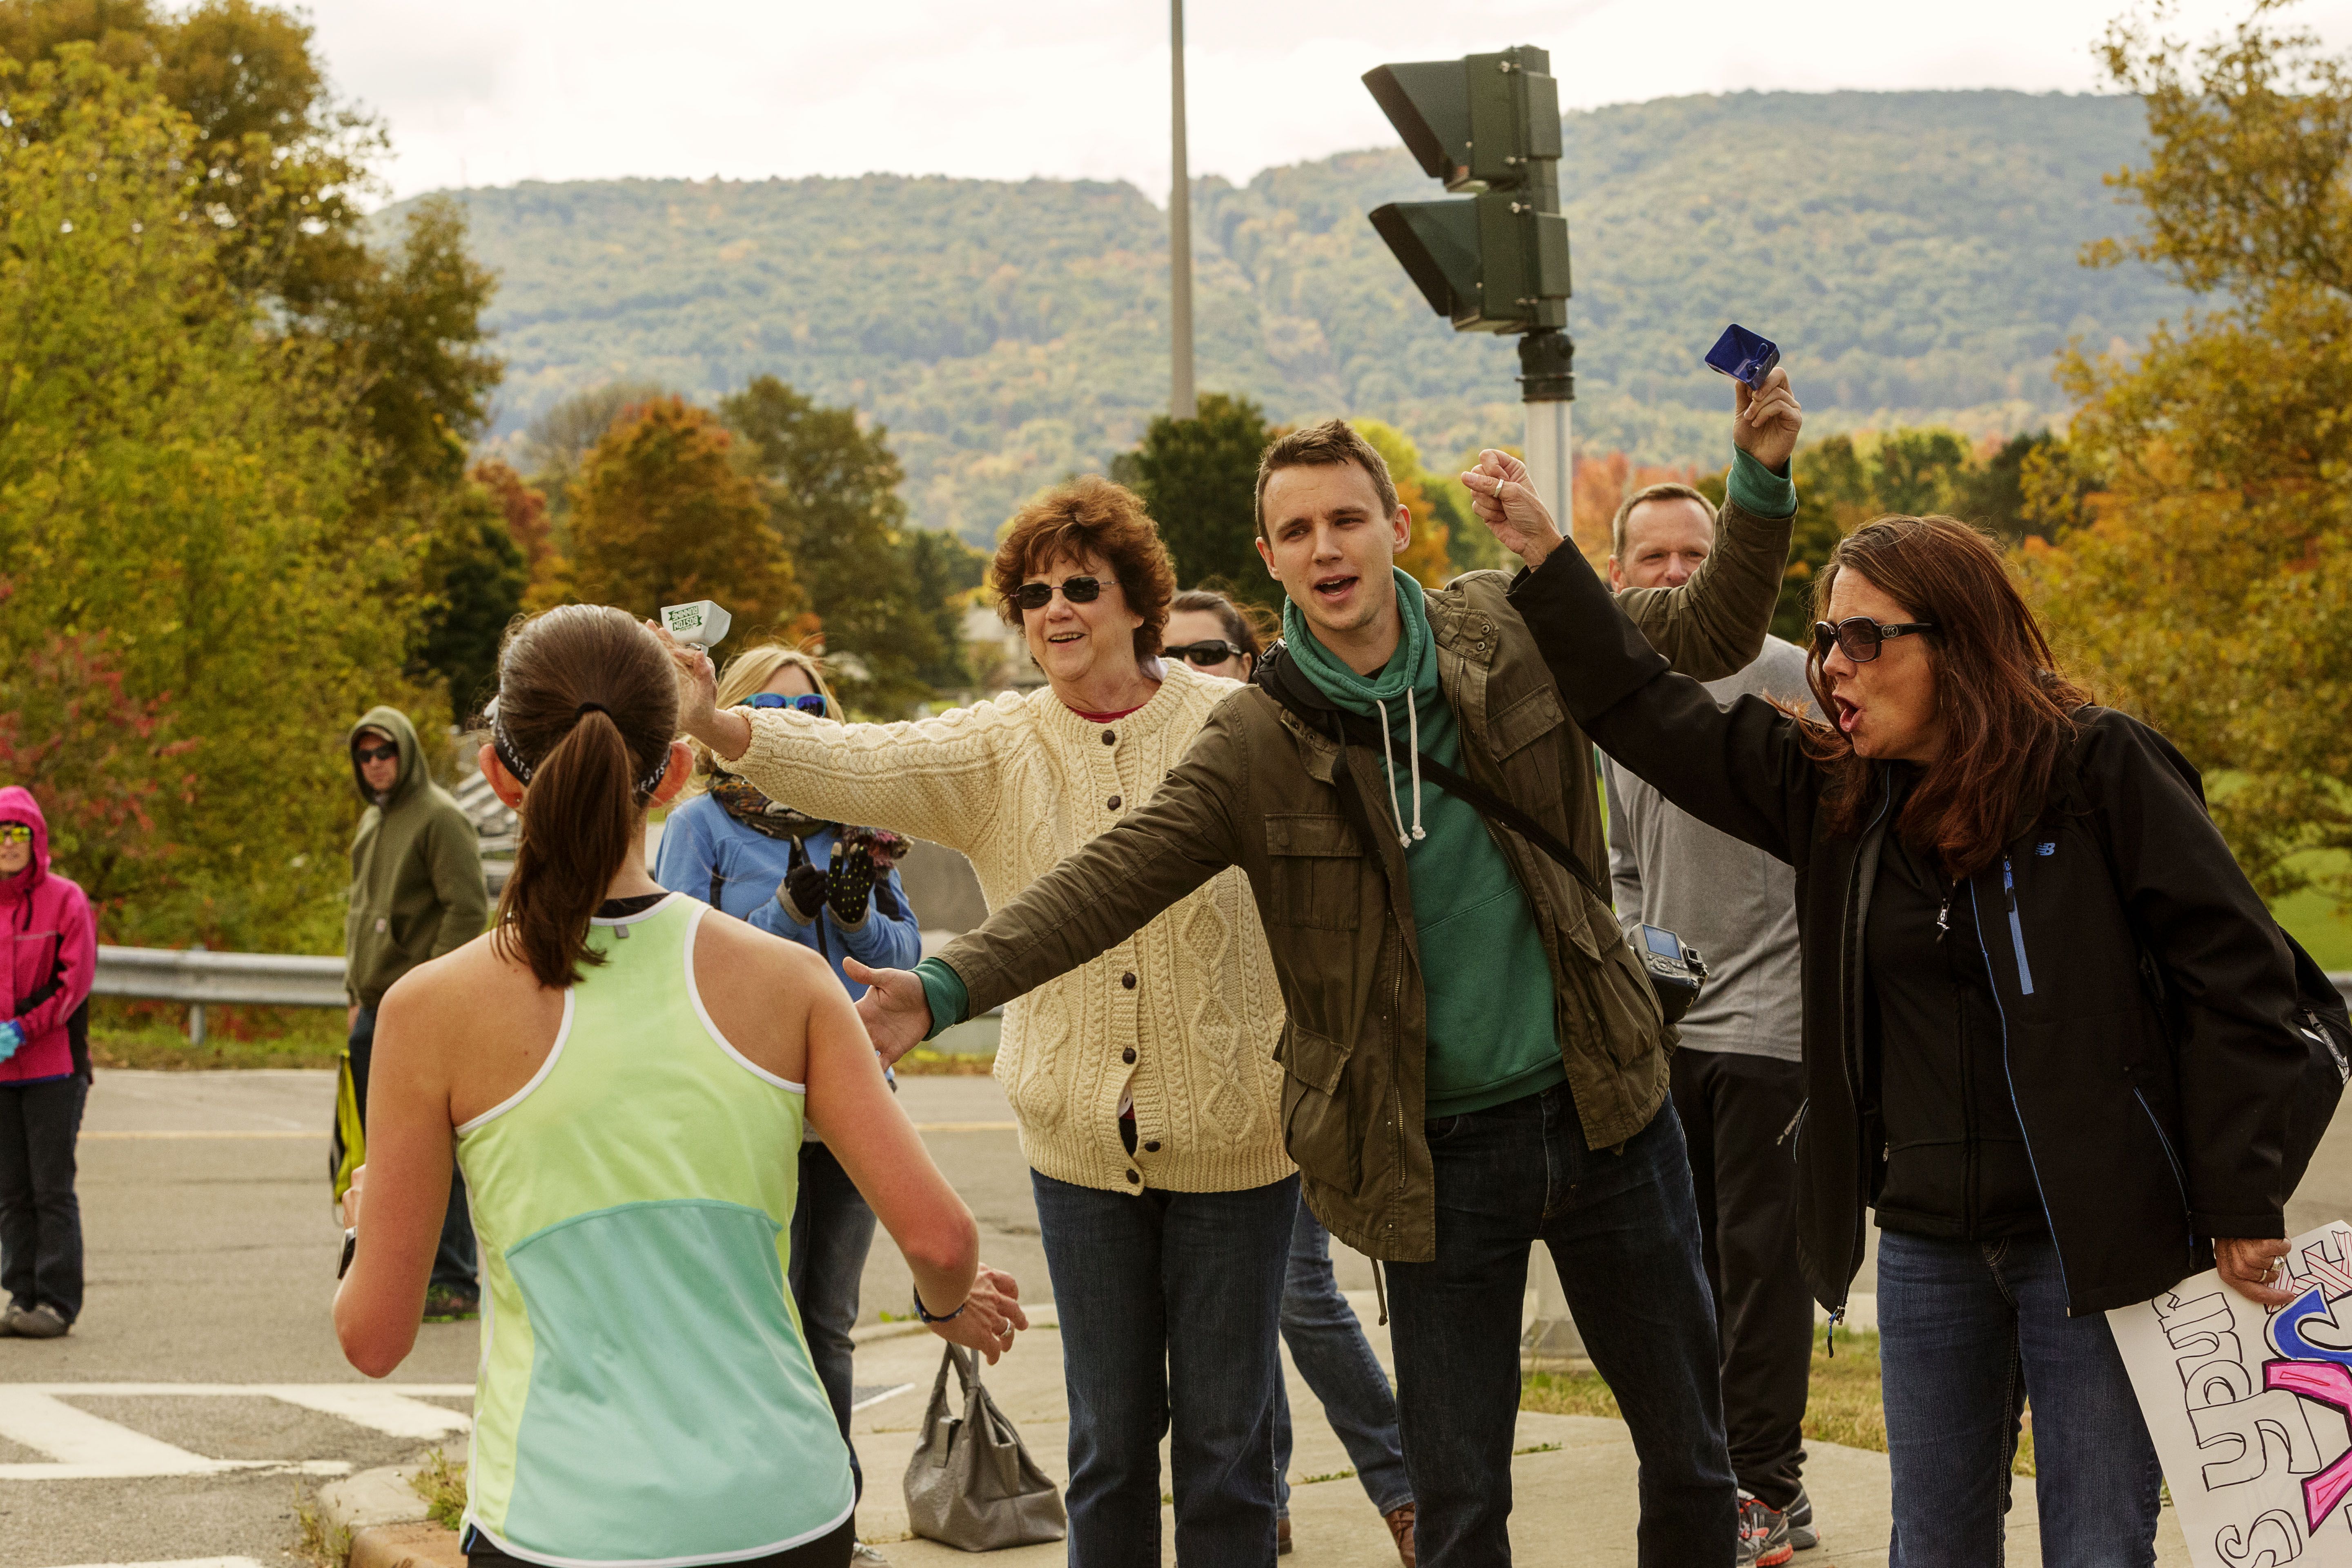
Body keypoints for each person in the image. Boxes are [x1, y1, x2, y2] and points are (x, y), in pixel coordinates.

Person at [846, 379, 1807, 1567]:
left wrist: (1759, 479)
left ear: (1395, 526)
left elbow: (1708, 637)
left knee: (1690, 1455)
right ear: (1271, 560)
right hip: (1432, 1156)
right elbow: (1116, 877)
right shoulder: (1253, 739)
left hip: (1609, 1111)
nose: (1326, 547)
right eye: (1298, 531)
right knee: (1460, 1503)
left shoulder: (1514, 625)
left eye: (1347, 519)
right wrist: (941, 990)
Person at [1473, 472, 2312, 1566]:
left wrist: (2242, 1195)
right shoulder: (1835, 793)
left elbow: (2242, 981)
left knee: (2101, 1547)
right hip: (1930, 1248)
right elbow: (1645, 707)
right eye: (1827, 639)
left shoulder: (2098, 768)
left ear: (1955, 643)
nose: (1832, 667)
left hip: (2100, 1247)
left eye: (1864, 640)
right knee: (1934, 1547)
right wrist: (1551, 565)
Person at [659, 478, 1296, 1567]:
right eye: (1035, 592)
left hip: (1239, 1138)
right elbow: (861, 760)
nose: (1056, 608)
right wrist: (717, 723)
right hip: (1078, 1147)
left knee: (1231, 1451)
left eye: (1082, 586)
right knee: (1106, 1444)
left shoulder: (1237, 726)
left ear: (1140, 602)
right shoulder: (1002, 747)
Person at [333, 604, 1025, 1568]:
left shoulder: (429, 1010)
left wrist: (371, 1220)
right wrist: (946, 1304)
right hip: (783, 1509)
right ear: (674, 774)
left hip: (559, 1524)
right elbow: (943, 1241)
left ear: (498, 774)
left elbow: (375, 1338)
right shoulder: (786, 984)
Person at [653, 642, 921, 1564]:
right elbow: (679, 955)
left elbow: (906, 955)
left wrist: (849, 913)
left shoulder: (858, 820)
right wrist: (780, 917)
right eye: (774, 712)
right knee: (755, 1319)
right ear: (735, 719)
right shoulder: (702, 825)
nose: (794, 729)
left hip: (851, 1100)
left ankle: (831, 1521)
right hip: (749, 1101)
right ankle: (753, 1519)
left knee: (827, 1324)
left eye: (813, 716)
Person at [1167, 586, 1418, 1564]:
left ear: (1247, 657)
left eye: (1210, 653)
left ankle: (1405, 1487)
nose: (1192, 672)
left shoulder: (1288, 752)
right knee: (1248, 1307)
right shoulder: (1172, 778)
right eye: (1173, 655)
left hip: (1307, 1066)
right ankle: (1264, 1500)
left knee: (1296, 1293)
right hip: (1208, 1084)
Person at [1600, 483, 1820, 1564]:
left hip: (1776, 1025)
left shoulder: (1789, 677)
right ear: (1618, 576)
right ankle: (1718, 1478)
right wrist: (1640, 956)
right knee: (1680, 1270)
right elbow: (1624, 864)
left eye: (1699, 552)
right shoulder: (1615, 700)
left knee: (1761, 1265)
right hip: (1670, 1026)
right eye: (1656, 557)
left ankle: (1769, 1489)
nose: (1679, 572)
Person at [341, 707, 492, 1321]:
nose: (376, 765)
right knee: (387, 1149)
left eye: (385, 753)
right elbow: (360, 917)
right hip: (373, 1008)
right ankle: (399, 1270)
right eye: (366, 756)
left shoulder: (440, 817)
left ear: (406, 753)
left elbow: (467, 909)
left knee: (434, 1148)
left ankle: (454, 1276)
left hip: (419, 1009)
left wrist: (427, 992)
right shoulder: (372, 823)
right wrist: (356, 997)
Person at [0, 788, 96, 1340]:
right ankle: (22, 1294)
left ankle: (57, 1300)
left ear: (37, 840)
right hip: (2, 1074)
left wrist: (21, 1030)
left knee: (50, 1186)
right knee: (11, 1189)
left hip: (54, 1069)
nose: (10, 845)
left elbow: (73, 984)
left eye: (19, 833)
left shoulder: (66, 900)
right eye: (1, 834)